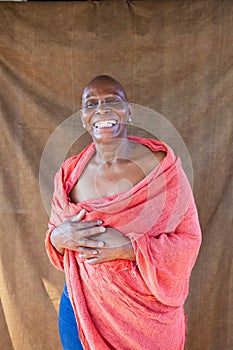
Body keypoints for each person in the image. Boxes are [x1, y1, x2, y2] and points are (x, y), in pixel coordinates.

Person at [45, 75, 202, 350]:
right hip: (80, 313)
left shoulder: (163, 171)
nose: (102, 110)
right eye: (92, 104)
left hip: (146, 323)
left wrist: (130, 249)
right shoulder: (69, 174)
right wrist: (58, 237)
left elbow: (189, 241)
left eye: (112, 101)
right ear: (83, 118)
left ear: (129, 112)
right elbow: (57, 245)